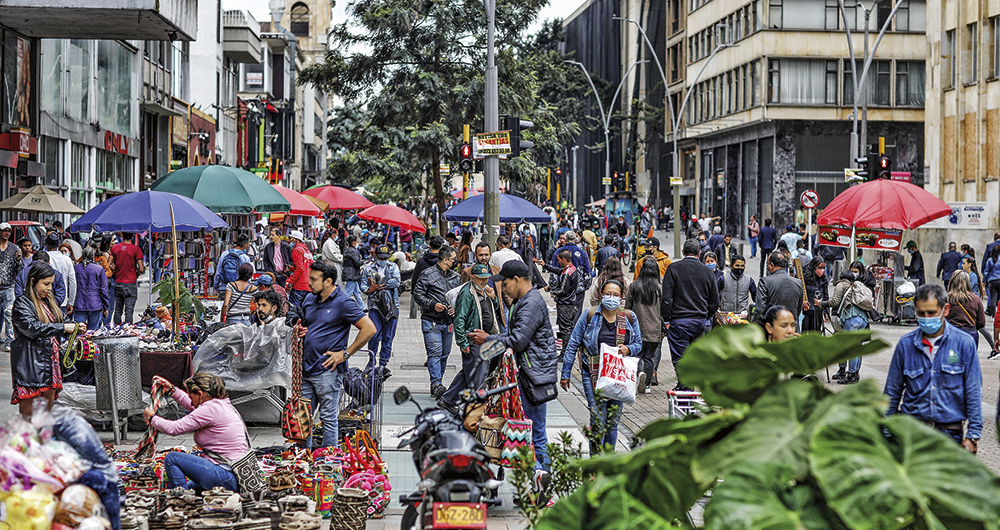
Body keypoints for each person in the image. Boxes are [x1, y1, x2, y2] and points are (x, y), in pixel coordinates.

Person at [468, 260, 558, 492]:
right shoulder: (525, 301)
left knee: (534, 432)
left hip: (533, 377)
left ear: (517, 280)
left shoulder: (531, 303)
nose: (504, 289)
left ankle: (540, 477)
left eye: (505, 284)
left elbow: (518, 340)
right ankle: (541, 484)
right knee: (535, 431)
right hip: (531, 375)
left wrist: (487, 339)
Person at [286, 261, 376, 448]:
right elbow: (310, 324)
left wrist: (345, 354)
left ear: (328, 281)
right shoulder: (310, 299)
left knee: (328, 418)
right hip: (306, 368)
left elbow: (369, 329)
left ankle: (328, 462)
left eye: (313, 279)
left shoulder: (344, 302)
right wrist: (303, 330)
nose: (308, 282)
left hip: (328, 370)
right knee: (303, 418)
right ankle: (304, 459)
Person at [884, 284, 981, 452]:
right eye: (921, 313)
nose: (926, 318)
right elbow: (892, 393)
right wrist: (886, 435)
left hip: (950, 435)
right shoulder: (906, 345)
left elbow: (973, 391)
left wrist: (972, 435)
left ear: (945, 310)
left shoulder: (964, 344)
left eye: (931, 313)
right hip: (912, 433)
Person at [562, 279, 641, 454]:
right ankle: (596, 462)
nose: (611, 298)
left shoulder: (628, 317)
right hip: (592, 374)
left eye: (615, 295)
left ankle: (608, 461)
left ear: (622, 297)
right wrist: (565, 373)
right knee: (598, 418)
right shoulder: (590, 315)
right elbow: (574, 342)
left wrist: (629, 348)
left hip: (617, 375)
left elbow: (638, 343)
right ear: (600, 294)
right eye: (608, 294)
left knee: (612, 421)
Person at [143, 374, 248, 491]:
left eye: (191, 397)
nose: (192, 403)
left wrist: (152, 418)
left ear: (200, 394)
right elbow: (193, 405)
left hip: (223, 474)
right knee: (190, 487)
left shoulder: (209, 409)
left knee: (172, 458)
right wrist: (171, 390)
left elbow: (174, 428)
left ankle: (182, 501)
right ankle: (186, 494)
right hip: (232, 474)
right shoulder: (221, 404)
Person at [11, 263, 83, 417]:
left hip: (50, 364)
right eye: (46, 284)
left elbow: (61, 321)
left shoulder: (50, 302)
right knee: (29, 418)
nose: (50, 288)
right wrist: (63, 327)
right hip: (31, 366)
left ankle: (43, 440)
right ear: (32, 281)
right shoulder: (21, 304)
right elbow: (32, 328)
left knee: (44, 416)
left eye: (51, 284)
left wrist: (75, 327)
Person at [661, 239, 719, 386]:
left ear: (683, 252)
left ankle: (684, 391)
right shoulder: (708, 272)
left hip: (679, 321)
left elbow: (666, 298)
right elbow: (714, 302)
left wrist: (667, 320)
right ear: (700, 254)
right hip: (699, 322)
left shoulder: (674, 269)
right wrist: (705, 316)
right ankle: (685, 388)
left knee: (680, 358)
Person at [442, 264, 499, 408]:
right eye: (481, 279)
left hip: (485, 339)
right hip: (474, 340)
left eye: (486, 279)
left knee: (469, 372)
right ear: (473, 278)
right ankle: (476, 408)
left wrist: (494, 298)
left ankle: (447, 401)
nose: (484, 282)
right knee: (479, 374)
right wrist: (462, 342)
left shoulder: (486, 291)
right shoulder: (467, 294)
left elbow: (495, 310)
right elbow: (459, 319)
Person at [413, 246, 461, 398]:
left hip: (448, 322)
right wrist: (433, 304)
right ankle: (437, 384)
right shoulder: (427, 274)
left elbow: (459, 297)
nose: (456, 262)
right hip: (431, 321)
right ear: (445, 260)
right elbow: (417, 294)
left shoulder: (456, 277)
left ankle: (437, 383)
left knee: (444, 354)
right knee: (435, 353)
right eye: (454, 259)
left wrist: (455, 308)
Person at [822, 271, 873, 384]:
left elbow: (835, 301)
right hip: (862, 319)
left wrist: (822, 303)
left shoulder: (841, 284)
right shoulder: (855, 286)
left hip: (851, 318)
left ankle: (850, 375)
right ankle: (855, 374)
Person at [626, 259, 665, 394]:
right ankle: (647, 384)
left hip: (637, 328)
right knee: (649, 357)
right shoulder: (660, 289)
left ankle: (638, 376)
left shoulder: (634, 287)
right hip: (654, 328)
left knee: (637, 356)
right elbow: (664, 310)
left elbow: (628, 308)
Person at [361, 245, 401, 369]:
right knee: (373, 334)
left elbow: (397, 281)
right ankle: (371, 360)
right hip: (375, 307)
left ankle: (383, 362)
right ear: (376, 256)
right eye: (381, 257)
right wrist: (370, 289)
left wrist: (379, 284)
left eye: (386, 257)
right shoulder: (368, 269)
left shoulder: (393, 267)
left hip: (391, 307)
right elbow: (362, 286)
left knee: (388, 337)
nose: (383, 260)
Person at [544, 250, 584, 364]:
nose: (558, 262)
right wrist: (545, 265)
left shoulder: (568, 273)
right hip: (570, 304)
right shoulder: (571, 269)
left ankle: (565, 354)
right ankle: (568, 352)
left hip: (565, 305)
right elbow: (558, 271)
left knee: (565, 330)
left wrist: (550, 289)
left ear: (564, 260)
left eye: (559, 260)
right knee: (568, 328)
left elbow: (562, 290)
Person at [757, 252, 805, 325]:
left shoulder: (765, 282)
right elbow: (798, 308)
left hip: (774, 329)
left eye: (767, 265)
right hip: (792, 329)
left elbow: (760, 309)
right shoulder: (798, 283)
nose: (767, 268)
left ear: (772, 265)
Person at [945, 271, 986, 349]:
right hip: (970, 335)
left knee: (951, 359)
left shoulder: (946, 298)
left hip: (951, 334)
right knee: (969, 359)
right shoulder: (975, 299)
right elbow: (981, 323)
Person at [72, 247, 109, 331]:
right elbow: (104, 289)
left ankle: (80, 344)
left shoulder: (75, 268)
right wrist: (106, 306)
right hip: (95, 304)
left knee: (79, 330)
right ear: (93, 256)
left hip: (79, 303)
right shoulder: (99, 269)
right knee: (93, 331)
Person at [0, 223, 23, 351]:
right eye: (4, 230)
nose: (7, 233)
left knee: (9, 314)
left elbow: (20, 270)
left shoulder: (14, 249)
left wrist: (19, 260)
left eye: (9, 231)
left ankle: (9, 341)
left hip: (8, 286)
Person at [111, 232, 143, 325]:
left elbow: (109, 263)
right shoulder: (136, 249)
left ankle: (116, 329)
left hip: (118, 282)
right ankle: (127, 330)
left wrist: (116, 270)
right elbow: (141, 268)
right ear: (133, 236)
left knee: (118, 309)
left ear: (121, 235)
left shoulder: (115, 248)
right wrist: (136, 273)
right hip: (130, 283)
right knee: (129, 311)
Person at [45, 232, 77, 314]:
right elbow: (72, 282)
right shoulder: (67, 260)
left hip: (46, 300)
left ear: (47, 245)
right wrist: (71, 302)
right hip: (63, 301)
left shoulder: (44, 258)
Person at [716, 254, 757, 319]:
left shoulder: (749, 280)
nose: (740, 268)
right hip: (727, 315)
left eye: (742, 266)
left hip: (743, 316)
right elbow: (714, 293)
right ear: (731, 266)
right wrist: (718, 305)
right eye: (737, 265)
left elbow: (756, 296)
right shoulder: (723, 278)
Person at [801, 257, 829, 332]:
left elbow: (826, 296)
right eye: (820, 267)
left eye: (823, 268)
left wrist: (827, 312)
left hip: (817, 312)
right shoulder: (804, 277)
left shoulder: (824, 279)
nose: (822, 270)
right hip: (805, 311)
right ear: (814, 267)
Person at [341, 235, 366, 311]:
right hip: (351, 274)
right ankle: (341, 306)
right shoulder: (352, 251)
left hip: (351, 273)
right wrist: (364, 261)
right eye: (357, 241)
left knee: (357, 292)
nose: (358, 243)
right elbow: (357, 262)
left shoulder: (348, 250)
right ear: (353, 242)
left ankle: (362, 307)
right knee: (348, 292)